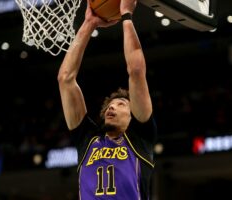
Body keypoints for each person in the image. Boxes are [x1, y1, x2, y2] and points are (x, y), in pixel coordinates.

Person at [57, 0, 157, 199]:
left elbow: (136, 71)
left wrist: (126, 15)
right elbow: (65, 79)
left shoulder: (140, 138)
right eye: (110, 105)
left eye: (121, 105)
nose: (112, 108)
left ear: (133, 115)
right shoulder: (88, 140)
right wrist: (89, 23)